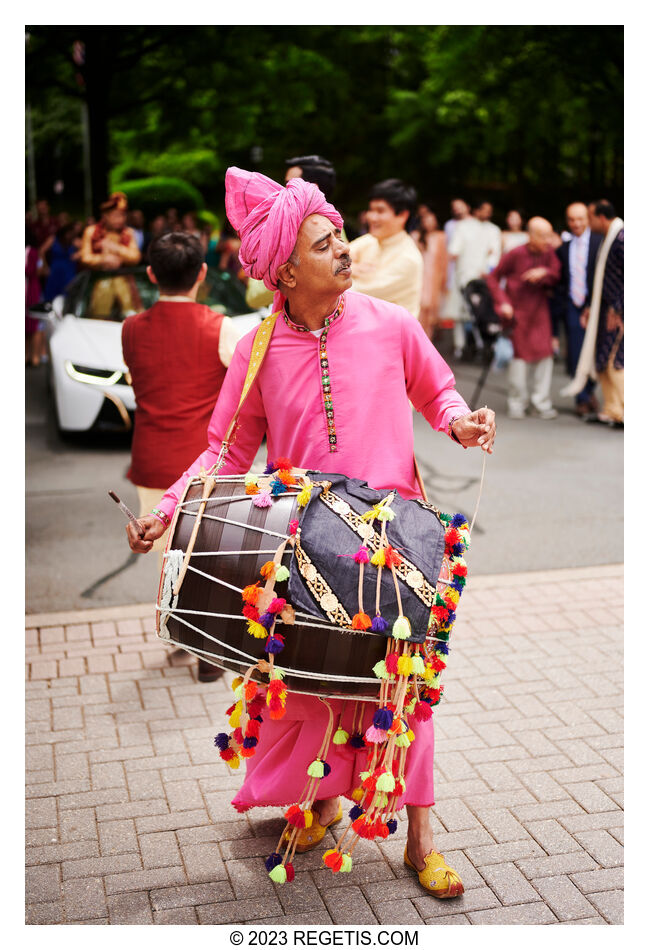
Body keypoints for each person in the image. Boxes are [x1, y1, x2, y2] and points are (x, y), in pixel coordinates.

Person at [126, 166, 496, 899]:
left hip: (394, 546)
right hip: (300, 547)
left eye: (340, 238)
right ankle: (320, 804)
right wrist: (167, 511)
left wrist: (459, 422)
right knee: (308, 687)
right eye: (327, 245)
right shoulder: (258, 348)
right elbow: (223, 451)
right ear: (285, 270)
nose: (344, 252)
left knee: (403, 692)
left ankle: (422, 839)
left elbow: (437, 390)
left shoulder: (388, 323)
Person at [121, 231, 242, 680]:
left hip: (152, 450)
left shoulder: (131, 328)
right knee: (208, 549)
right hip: (204, 457)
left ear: (151, 274)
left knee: (166, 547)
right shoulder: (219, 326)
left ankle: (177, 631)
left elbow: (140, 386)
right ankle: (207, 643)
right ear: (203, 273)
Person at [486, 217, 561, 419]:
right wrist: (503, 302)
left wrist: (543, 272)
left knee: (545, 356)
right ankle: (517, 402)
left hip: (540, 310)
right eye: (543, 236)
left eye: (550, 235)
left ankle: (541, 402)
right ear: (531, 235)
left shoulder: (548, 253)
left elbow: (556, 273)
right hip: (517, 311)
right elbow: (493, 278)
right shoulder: (516, 253)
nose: (548, 240)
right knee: (519, 359)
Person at [246, 155, 339, 311]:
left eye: (289, 185)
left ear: (311, 189)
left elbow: (255, 295)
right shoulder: (337, 231)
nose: (282, 191)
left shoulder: (296, 235)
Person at [563, 201, 623, 427]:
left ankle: (624, 409)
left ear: (600, 218)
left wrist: (619, 309)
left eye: (588, 217)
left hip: (616, 312)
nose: (584, 222)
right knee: (602, 360)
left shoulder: (620, 238)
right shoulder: (612, 237)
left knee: (616, 361)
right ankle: (613, 409)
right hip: (601, 308)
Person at [553, 203, 602, 417]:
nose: (576, 223)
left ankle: (589, 390)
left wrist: (593, 304)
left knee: (596, 351)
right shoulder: (563, 248)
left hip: (596, 304)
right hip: (572, 304)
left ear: (588, 219)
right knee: (574, 352)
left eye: (580, 219)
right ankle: (581, 398)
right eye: (572, 219)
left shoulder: (600, 243)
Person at [348, 179, 423, 318]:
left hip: (392, 337)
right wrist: (351, 268)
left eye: (380, 211)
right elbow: (330, 261)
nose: (372, 217)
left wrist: (347, 269)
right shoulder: (369, 241)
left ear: (402, 215)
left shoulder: (408, 258)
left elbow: (354, 293)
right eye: (371, 210)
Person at [448, 201, 502, 356]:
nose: (488, 214)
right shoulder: (463, 227)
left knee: (481, 310)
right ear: (477, 210)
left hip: (483, 277)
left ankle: (483, 344)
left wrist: (488, 270)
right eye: (485, 210)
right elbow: (454, 250)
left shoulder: (493, 230)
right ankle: (461, 345)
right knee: (461, 312)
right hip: (464, 276)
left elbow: (495, 254)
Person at [80, 192, 142, 318]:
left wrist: (117, 248)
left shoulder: (128, 233)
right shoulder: (91, 232)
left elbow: (135, 257)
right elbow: (85, 257)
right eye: (116, 216)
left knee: (130, 315)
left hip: (124, 282)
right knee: (99, 317)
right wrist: (103, 260)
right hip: (99, 281)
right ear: (105, 216)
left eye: (122, 216)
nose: (120, 220)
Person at [414, 205, 448, 339]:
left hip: (434, 276)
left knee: (432, 310)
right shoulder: (417, 237)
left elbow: (444, 259)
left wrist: (445, 278)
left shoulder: (440, 237)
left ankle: (428, 338)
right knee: (420, 307)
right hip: (420, 276)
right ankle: (419, 337)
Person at [42, 222, 80, 302]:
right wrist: (44, 266)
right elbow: (41, 251)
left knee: (68, 293)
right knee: (52, 294)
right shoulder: (53, 239)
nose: (69, 235)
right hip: (55, 271)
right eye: (67, 233)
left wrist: (77, 255)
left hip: (69, 271)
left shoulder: (73, 241)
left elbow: (86, 249)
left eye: (71, 233)